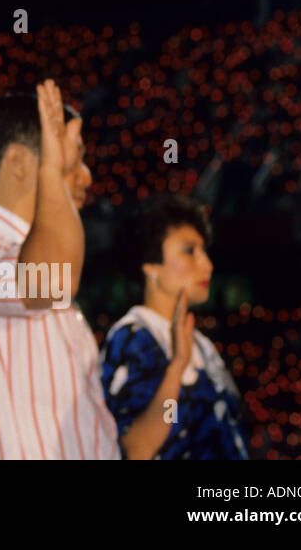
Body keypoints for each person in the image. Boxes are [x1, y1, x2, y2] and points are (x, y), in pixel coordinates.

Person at [0, 86, 120, 459]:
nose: (86, 176)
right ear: (20, 162)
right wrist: (53, 172)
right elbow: (53, 283)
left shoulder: (42, 247)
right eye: (76, 158)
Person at [100, 195, 249, 459]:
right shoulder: (132, 338)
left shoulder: (202, 344)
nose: (207, 265)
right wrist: (177, 368)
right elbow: (136, 448)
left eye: (205, 252)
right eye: (189, 251)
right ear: (150, 264)